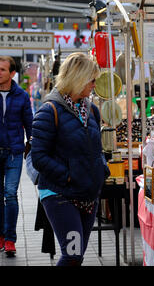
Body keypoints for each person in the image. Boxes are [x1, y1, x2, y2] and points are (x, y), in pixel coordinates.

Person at [30, 52, 110, 266]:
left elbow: (97, 149)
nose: (94, 85)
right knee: (72, 256)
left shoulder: (91, 110)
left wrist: (101, 170)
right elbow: (38, 157)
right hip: (60, 195)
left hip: (88, 195)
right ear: (78, 78)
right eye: (92, 80)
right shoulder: (49, 111)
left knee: (77, 256)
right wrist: (69, 177)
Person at [0, 56, 33, 257]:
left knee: (10, 194)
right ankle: (1, 236)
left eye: (2, 70)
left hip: (13, 151)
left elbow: (29, 123)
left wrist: (32, 145)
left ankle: (10, 239)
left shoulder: (21, 95)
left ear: (12, 73)